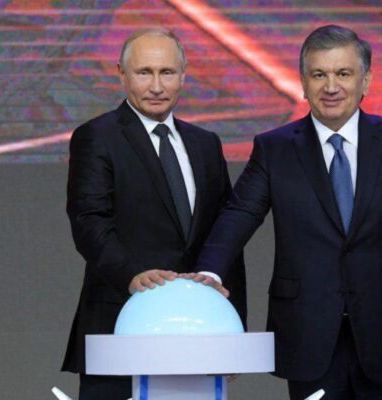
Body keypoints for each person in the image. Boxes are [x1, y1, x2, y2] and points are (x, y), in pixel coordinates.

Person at [188, 25, 382, 400]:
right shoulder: (274, 149)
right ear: (302, 81)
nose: (331, 86)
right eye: (319, 74)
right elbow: (239, 214)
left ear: (365, 80)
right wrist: (208, 274)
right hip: (310, 337)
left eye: (343, 73)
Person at [60, 27, 246, 399]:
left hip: (199, 333)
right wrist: (132, 275)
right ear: (121, 74)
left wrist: (233, 331)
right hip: (120, 329)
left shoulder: (205, 144)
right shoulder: (97, 137)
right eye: (145, 72)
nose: (157, 86)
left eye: (167, 73)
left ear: (183, 76)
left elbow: (225, 237)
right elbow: (88, 221)